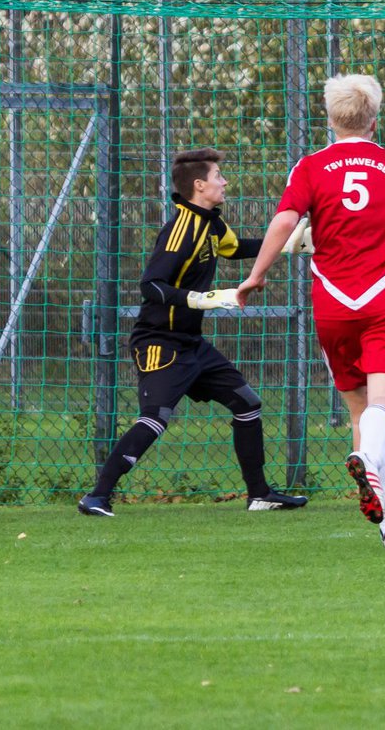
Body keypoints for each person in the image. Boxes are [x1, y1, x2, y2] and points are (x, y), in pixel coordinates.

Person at [237, 74, 385, 553]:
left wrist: (257, 274)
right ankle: (367, 458)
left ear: (329, 118)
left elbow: (286, 220)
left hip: (332, 306)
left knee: (359, 411)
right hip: (384, 301)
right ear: (375, 117)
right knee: (383, 409)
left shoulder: (311, 166)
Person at [77, 148, 309, 517]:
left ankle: (260, 494)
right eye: (219, 176)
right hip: (159, 343)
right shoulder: (180, 229)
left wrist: (290, 243)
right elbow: (150, 285)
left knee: (247, 404)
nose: (225, 182)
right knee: (155, 418)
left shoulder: (212, 224)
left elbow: (237, 249)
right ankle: (97, 496)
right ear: (199, 185)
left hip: (192, 345)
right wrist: (200, 300)